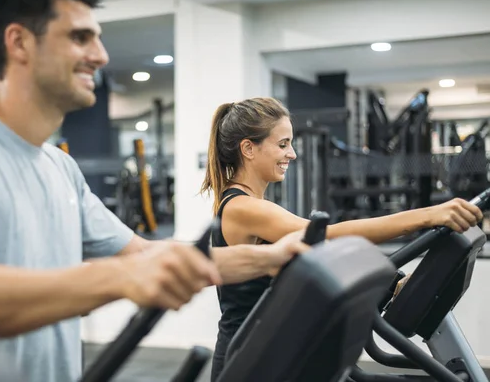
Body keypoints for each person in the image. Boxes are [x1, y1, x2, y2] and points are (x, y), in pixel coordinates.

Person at [0, 0, 310, 382]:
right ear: (18, 42)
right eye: (80, 37)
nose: (100, 55)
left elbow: (150, 253)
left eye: (98, 39)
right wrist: (120, 277)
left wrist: (271, 258)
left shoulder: (59, 167)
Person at [200, 97, 485, 381]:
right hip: (250, 363)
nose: (293, 154)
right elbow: (326, 236)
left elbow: (306, 259)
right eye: (283, 144)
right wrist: (426, 216)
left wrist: (390, 281)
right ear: (249, 148)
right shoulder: (242, 207)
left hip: (270, 352)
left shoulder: (251, 205)